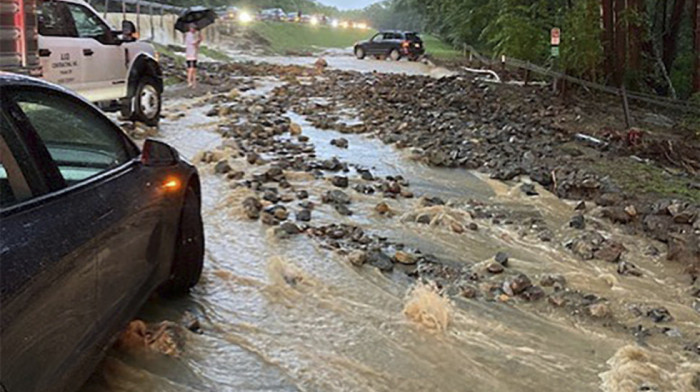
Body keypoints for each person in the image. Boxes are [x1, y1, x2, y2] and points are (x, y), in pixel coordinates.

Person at [185, 24, 202, 88]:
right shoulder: (189, 35)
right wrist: (199, 40)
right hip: (190, 54)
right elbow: (194, 43)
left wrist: (199, 40)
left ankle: (194, 82)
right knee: (190, 69)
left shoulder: (192, 35)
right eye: (193, 28)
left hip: (194, 54)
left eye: (195, 29)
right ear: (190, 28)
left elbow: (196, 45)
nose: (194, 30)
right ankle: (189, 82)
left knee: (194, 69)